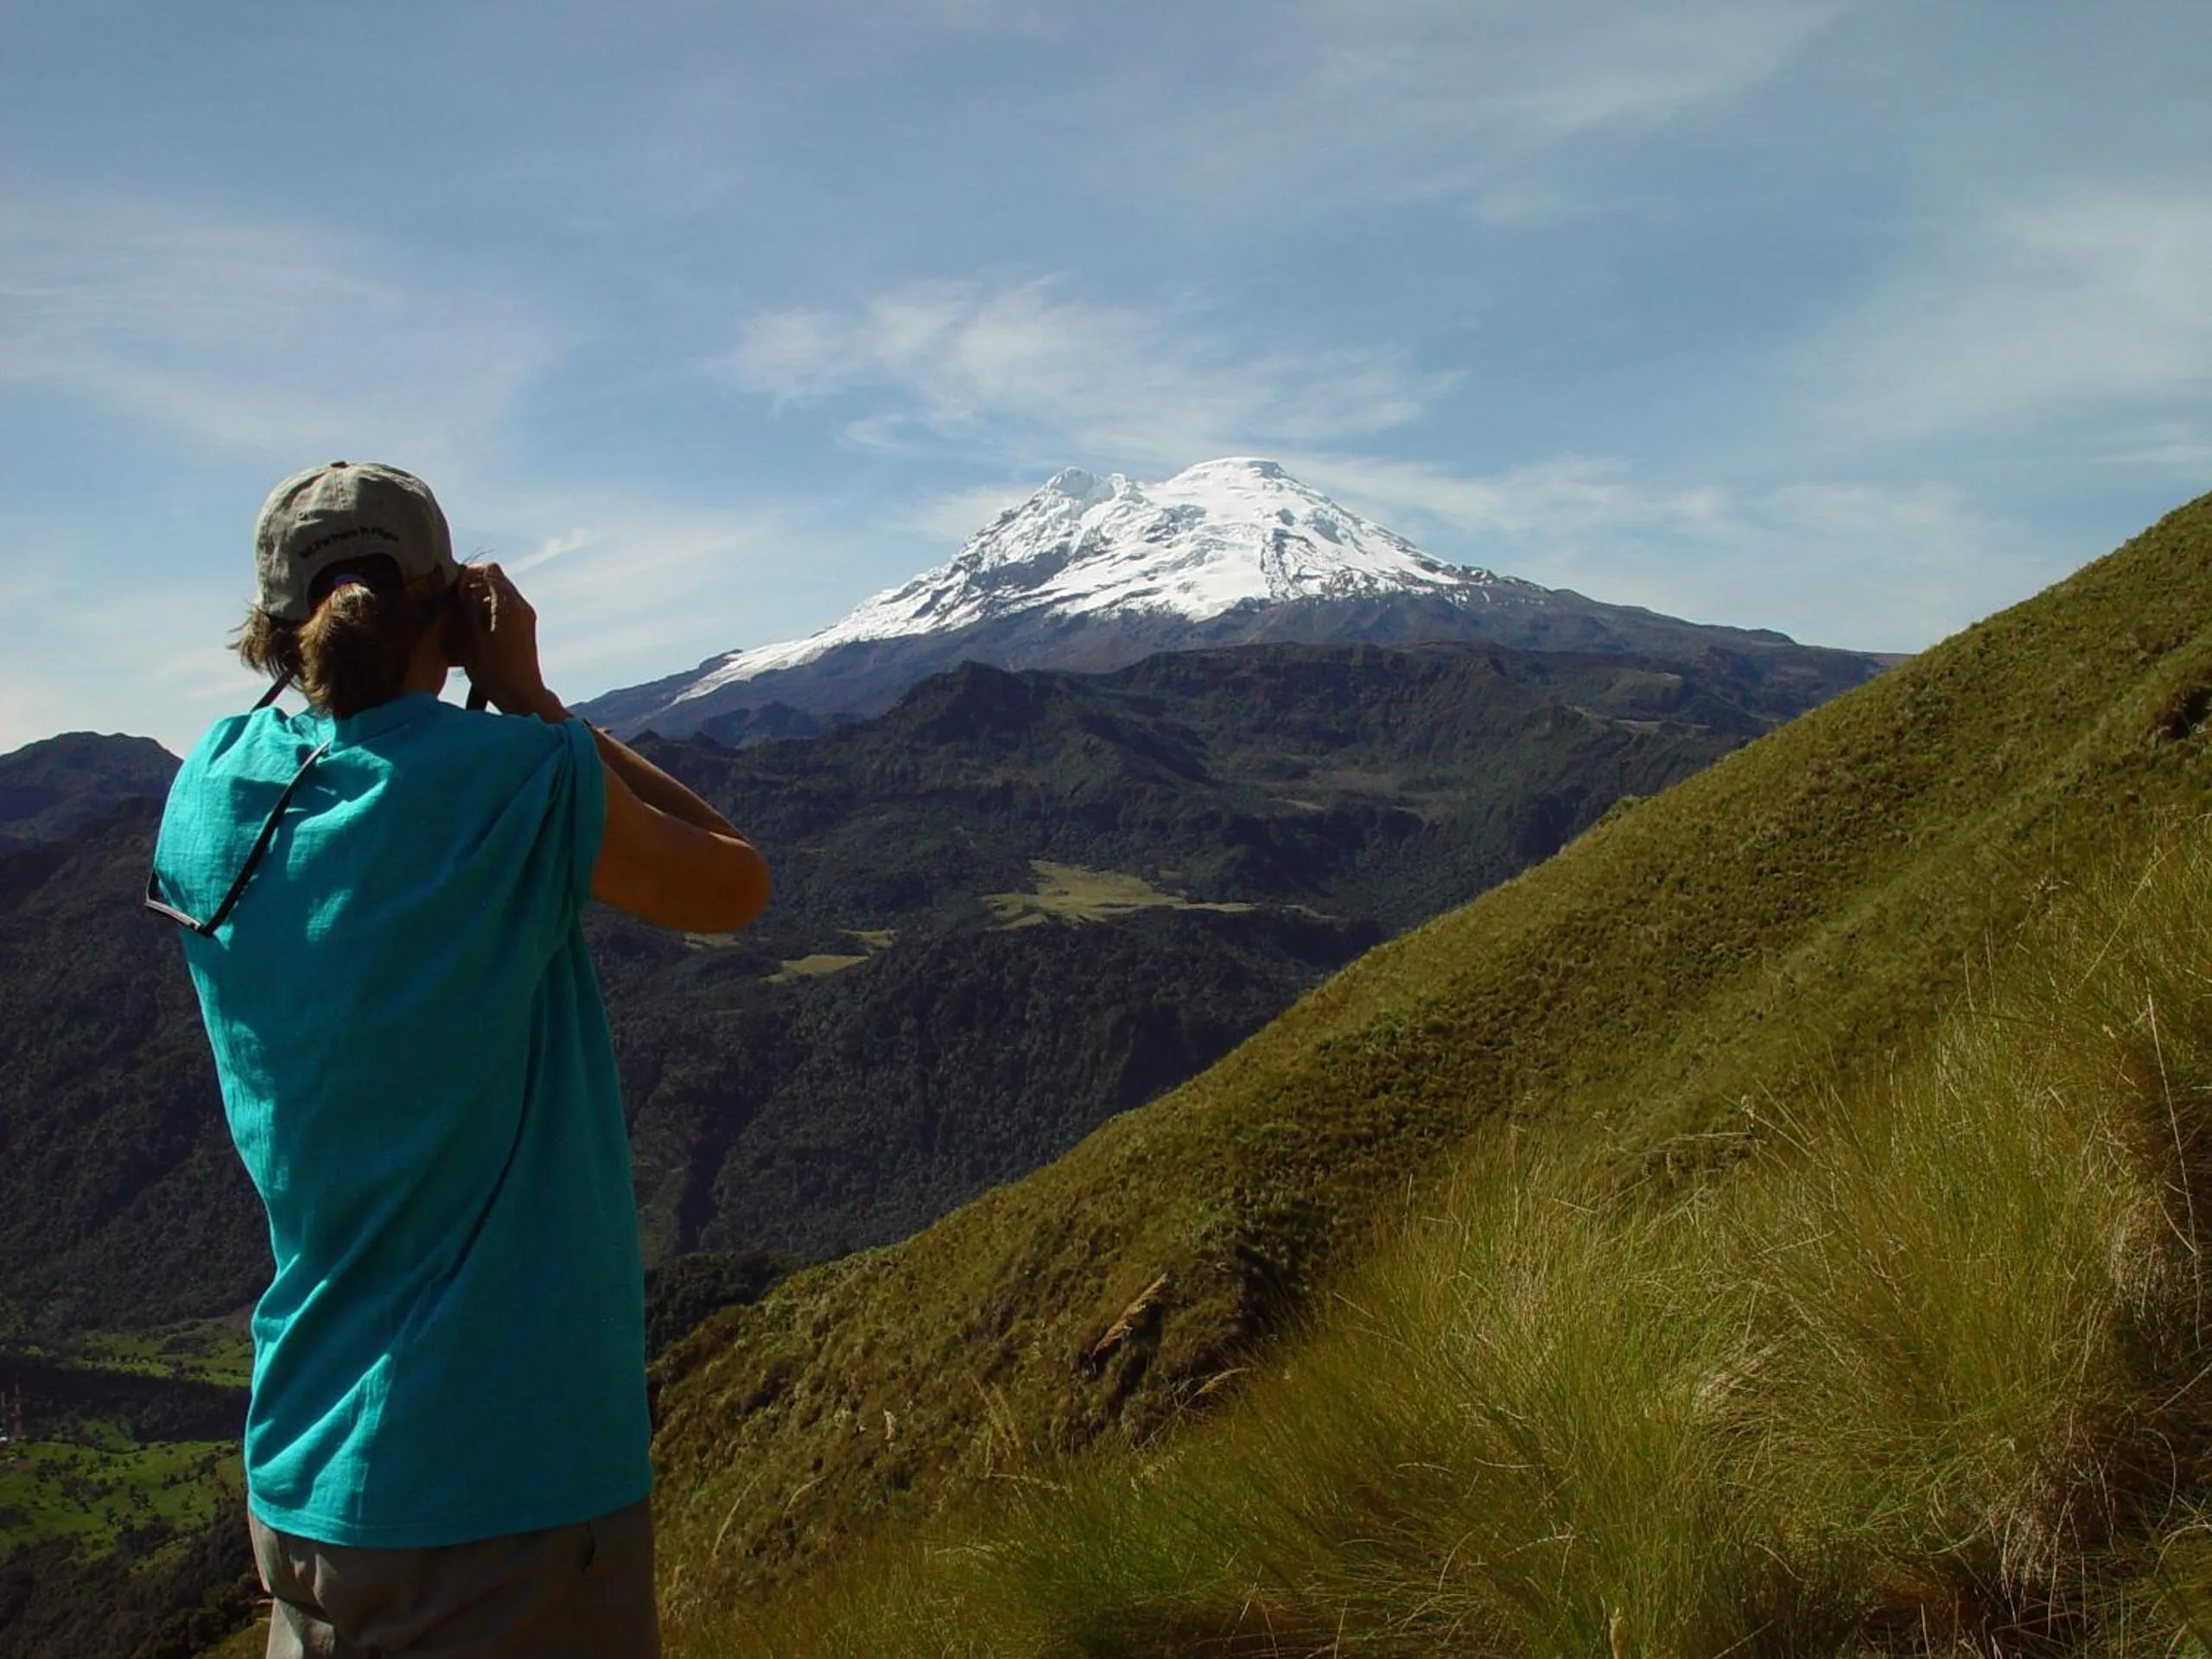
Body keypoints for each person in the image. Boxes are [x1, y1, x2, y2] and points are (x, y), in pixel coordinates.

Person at [147, 460, 770, 1657]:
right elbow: (733, 880)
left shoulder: (207, 792)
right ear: (455, 606)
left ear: (272, 628)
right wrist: (530, 697)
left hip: (304, 1477)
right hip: (503, 1481)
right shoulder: (513, 779)